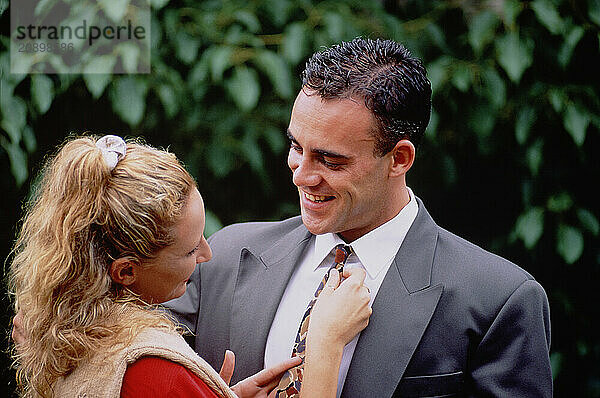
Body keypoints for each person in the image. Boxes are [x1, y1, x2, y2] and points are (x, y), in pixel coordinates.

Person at [166, 37, 552, 397]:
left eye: (330, 159)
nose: (301, 174)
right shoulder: (222, 256)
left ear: (399, 159)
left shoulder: (498, 300)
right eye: (296, 146)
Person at [8, 135, 371, 398]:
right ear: (126, 271)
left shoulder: (68, 339)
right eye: (187, 251)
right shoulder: (153, 369)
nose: (207, 255)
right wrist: (325, 345)